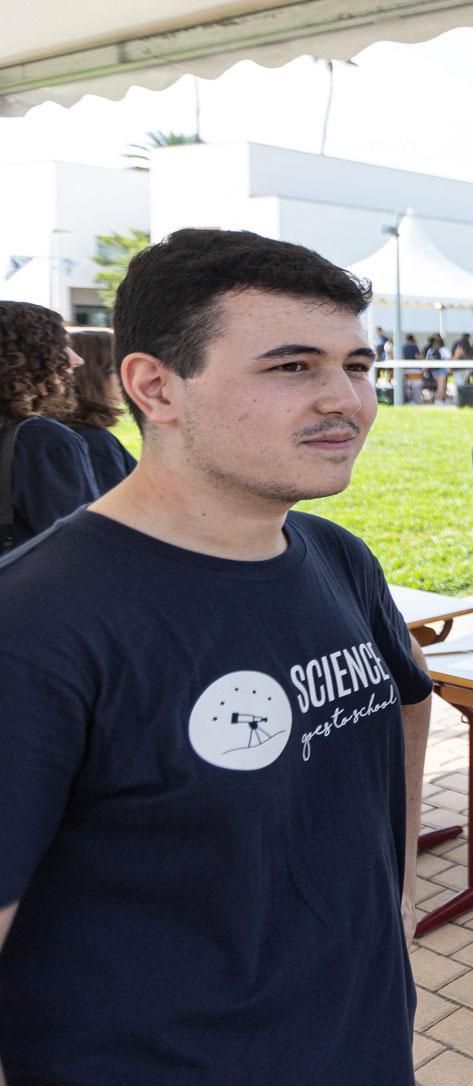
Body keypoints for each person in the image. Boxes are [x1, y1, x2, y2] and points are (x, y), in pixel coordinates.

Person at [0, 228, 432, 1082]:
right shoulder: (36, 625)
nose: (345, 399)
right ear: (155, 386)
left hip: (365, 1047)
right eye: (292, 366)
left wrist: (401, 890)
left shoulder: (337, 556)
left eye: (358, 366)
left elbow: (407, 701)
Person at [0, 302, 99, 553]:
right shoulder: (43, 440)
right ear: (23, 357)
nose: (76, 359)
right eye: (60, 347)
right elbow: (81, 546)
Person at [57, 327, 138, 489]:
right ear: (96, 376)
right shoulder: (95, 441)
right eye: (120, 369)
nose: (130, 377)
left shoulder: (65, 431)